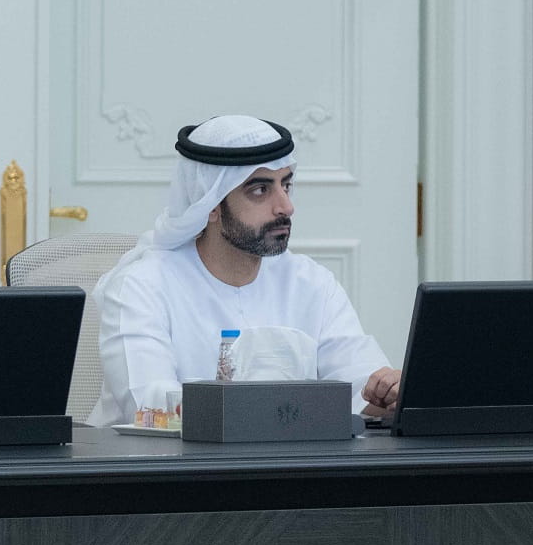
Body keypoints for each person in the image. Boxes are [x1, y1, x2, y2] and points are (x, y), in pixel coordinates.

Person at [87, 115, 401, 426]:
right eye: (260, 190)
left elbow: (359, 386)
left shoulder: (311, 282)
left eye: (286, 185)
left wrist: (386, 394)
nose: (286, 207)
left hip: (287, 457)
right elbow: (149, 406)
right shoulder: (141, 286)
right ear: (210, 205)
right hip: (165, 459)